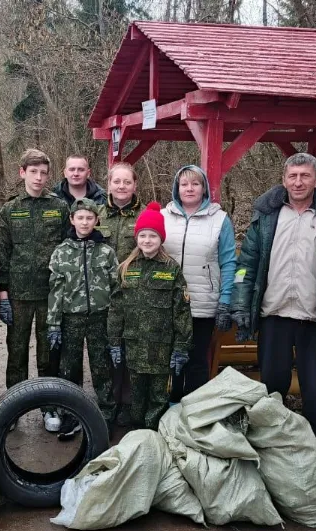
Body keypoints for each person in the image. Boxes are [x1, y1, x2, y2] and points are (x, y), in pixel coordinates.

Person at [230, 153, 316, 442]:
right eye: (292, 176)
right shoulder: (266, 215)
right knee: (271, 386)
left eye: (305, 176)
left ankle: (314, 447)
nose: (298, 182)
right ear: (283, 179)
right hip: (274, 315)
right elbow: (247, 265)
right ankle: (271, 444)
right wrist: (241, 304)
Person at [0, 148, 70, 433]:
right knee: (16, 352)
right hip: (18, 294)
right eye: (33, 172)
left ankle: (48, 406)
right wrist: (3, 293)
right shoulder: (10, 209)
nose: (39, 178)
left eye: (43, 172)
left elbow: (66, 250)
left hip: (50, 293)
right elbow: (3, 253)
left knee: (48, 352)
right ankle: (13, 408)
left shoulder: (59, 207)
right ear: (22, 172)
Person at [108, 202, 192, 430]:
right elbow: (116, 308)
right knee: (135, 393)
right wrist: (114, 342)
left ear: (161, 238)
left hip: (161, 348)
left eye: (153, 236)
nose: (147, 240)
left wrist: (181, 347)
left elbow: (182, 311)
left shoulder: (171, 269)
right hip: (134, 346)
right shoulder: (126, 267)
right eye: (142, 235)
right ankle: (137, 433)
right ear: (136, 238)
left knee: (158, 395)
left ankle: (154, 433)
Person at [161, 165, 237, 403]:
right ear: (177, 188)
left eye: (195, 184)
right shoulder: (164, 216)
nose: (189, 188)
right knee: (170, 358)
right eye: (184, 184)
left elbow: (228, 263)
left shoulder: (220, 220)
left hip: (202, 302)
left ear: (204, 189)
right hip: (167, 302)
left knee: (196, 360)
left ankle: (194, 409)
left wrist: (226, 301)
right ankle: (169, 406)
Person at [47, 198, 119, 439]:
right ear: (72, 220)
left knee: (102, 368)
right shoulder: (61, 252)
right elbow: (55, 289)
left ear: (97, 220)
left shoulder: (106, 251)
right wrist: (54, 323)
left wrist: (115, 319)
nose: (85, 222)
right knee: (69, 368)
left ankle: (107, 415)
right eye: (80, 217)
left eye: (90, 218)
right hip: (72, 318)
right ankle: (71, 415)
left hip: (100, 317)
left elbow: (115, 286)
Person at [96, 162, 143, 425]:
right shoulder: (97, 214)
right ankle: (108, 401)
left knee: (130, 348)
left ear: (135, 185)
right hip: (102, 295)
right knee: (106, 349)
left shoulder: (144, 215)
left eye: (127, 182)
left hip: (134, 295)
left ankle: (128, 401)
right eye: (117, 182)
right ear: (109, 184)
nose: (122, 187)